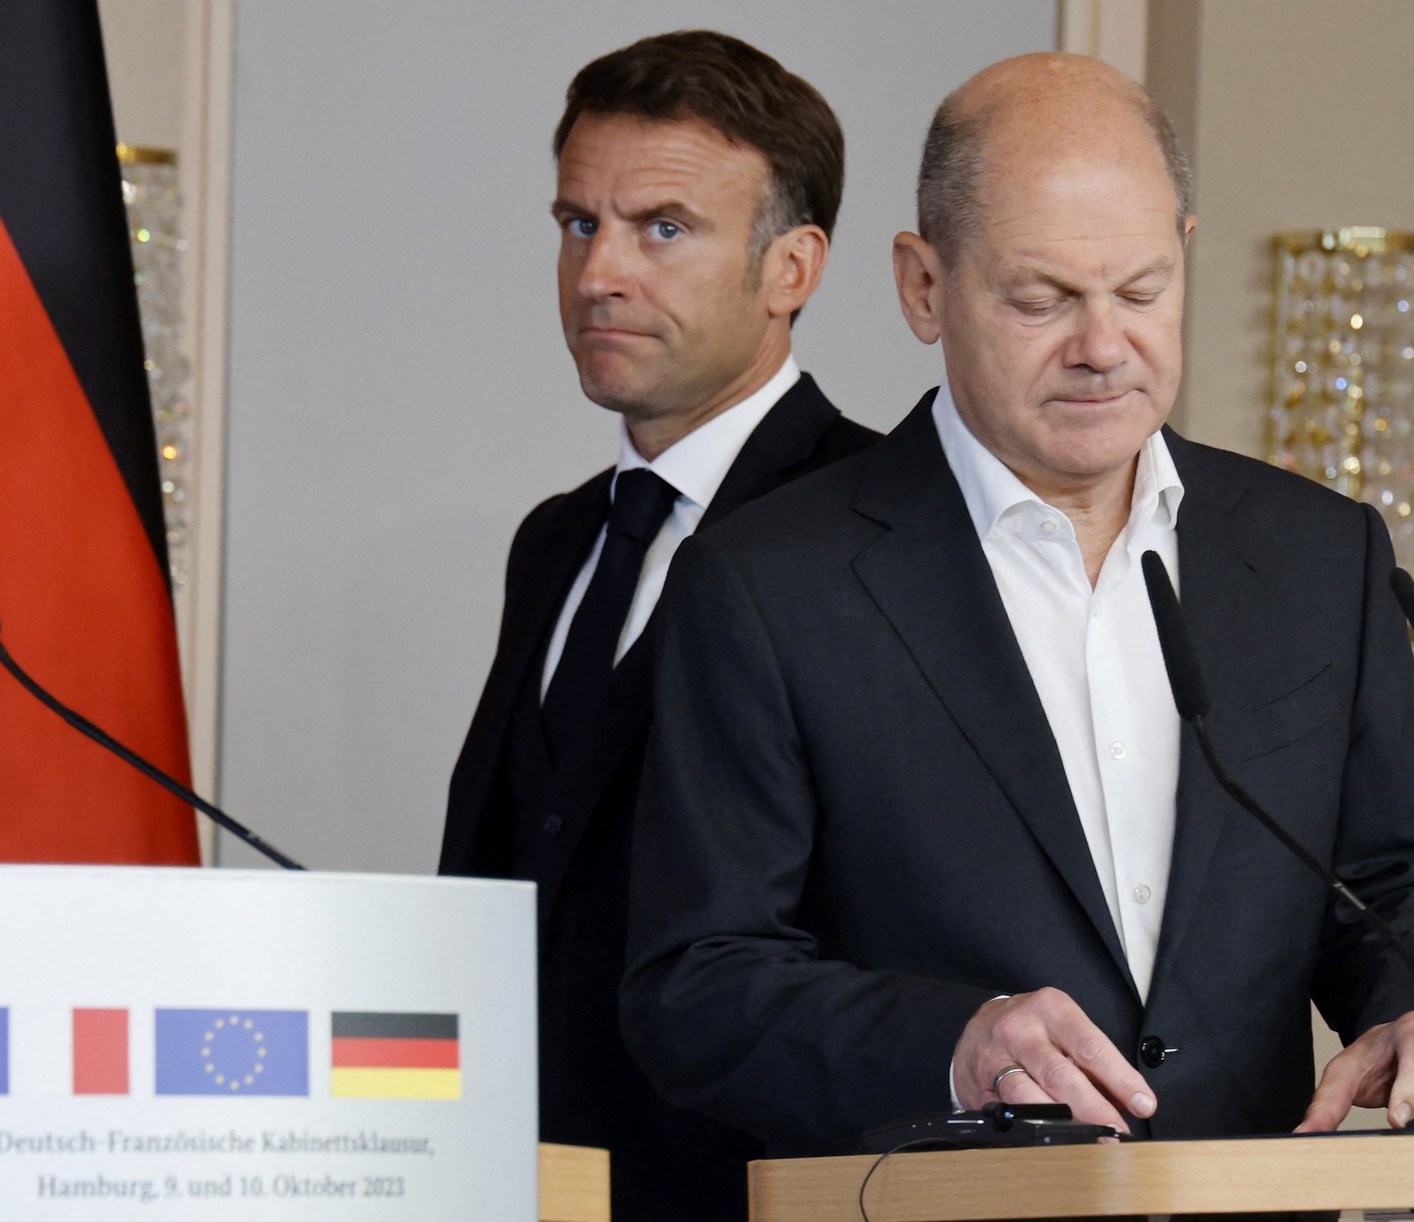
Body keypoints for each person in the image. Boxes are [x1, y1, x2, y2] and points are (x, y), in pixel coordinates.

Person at [620, 52, 1414, 1156]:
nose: (1103, 348)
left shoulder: (1319, 555)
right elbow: (696, 987)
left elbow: (1401, 880)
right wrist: (955, 1043)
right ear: (923, 286)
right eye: (1042, 299)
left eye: (1142, 291)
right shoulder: (767, 583)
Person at [437, 30, 878, 1220]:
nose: (598, 275)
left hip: (760, 1191)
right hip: (518, 1180)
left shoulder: (889, 532)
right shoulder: (560, 538)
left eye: (662, 229)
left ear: (793, 267)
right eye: (580, 223)